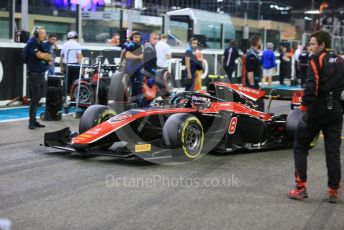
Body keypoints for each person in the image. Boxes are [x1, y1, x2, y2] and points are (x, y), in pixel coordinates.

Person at [287, 30, 344, 203]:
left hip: (317, 110)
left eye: (312, 44)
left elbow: (311, 87)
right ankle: (333, 190)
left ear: (322, 45)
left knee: (300, 145)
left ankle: (300, 188)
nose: (310, 47)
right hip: (336, 110)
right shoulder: (341, 61)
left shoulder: (315, 60)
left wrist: (303, 109)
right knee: (333, 151)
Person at [26, 27, 52, 129]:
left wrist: (46, 56)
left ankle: (34, 120)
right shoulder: (32, 43)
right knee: (35, 98)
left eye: (44, 33)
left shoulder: (40, 43)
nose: (44, 35)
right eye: (42, 33)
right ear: (37, 34)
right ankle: (31, 122)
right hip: (35, 74)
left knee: (39, 96)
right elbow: (40, 56)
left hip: (41, 74)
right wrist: (46, 56)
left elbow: (49, 57)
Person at [246, 35, 264, 111]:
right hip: (253, 85)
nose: (262, 44)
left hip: (255, 83)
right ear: (258, 43)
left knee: (260, 104)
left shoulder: (254, 53)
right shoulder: (252, 55)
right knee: (258, 106)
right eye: (261, 42)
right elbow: (250, 72)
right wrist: (252, 87)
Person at [141, 32, 159, 107]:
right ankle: (143, 107)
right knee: (148, 93)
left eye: (157, 39)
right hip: (148, 74)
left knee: (152, 92)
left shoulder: (152, 47)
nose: (156, 40)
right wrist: (149, 76)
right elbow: (147, 63)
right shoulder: (149, 47)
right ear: (150, 38)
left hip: (151, 72)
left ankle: (145, 106)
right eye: (154, 38)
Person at [125, 31, 143, 104]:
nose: (137, 39)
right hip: (132, 69)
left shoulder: (139, 46)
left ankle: (137, 103)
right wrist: (138, 57)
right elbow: (127, 55)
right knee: (133, 86)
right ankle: (133, 103)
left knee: (139, 87)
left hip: (138, 68)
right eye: (135, 37)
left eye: (138, 37)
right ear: (132, 38)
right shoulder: (130, 45)